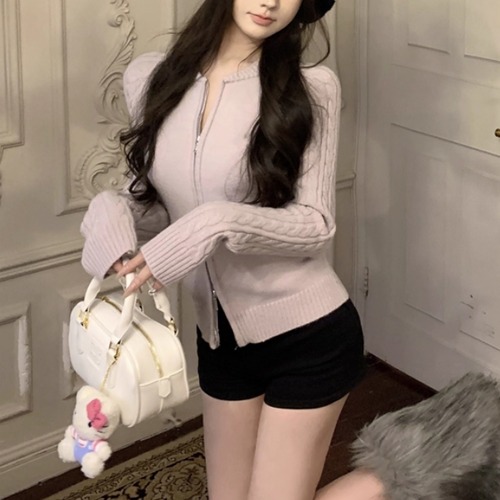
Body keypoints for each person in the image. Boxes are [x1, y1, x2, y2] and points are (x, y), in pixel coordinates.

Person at [80, 0, 386, 498]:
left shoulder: (312, 88)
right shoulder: (151, 78)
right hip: (220, 340)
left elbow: (315, 223)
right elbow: (162, 204)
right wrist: (112, 212)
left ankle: (404, 475)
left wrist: (217, 222)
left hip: (308, 336)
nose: (271, 2)